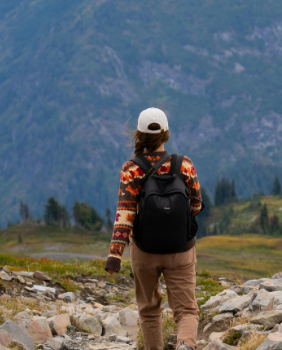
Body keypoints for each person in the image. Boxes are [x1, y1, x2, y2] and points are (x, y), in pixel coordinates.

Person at [105, 107, 202, 350]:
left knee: (149, 310)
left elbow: (125, 214)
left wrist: (114, 255)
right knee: (187, 310)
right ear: (166, 134)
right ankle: (185, 345)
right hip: (181, 249)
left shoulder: (132, 168)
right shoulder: (184, 165)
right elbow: (197, 205)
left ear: (139, 135)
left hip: (144, 251)